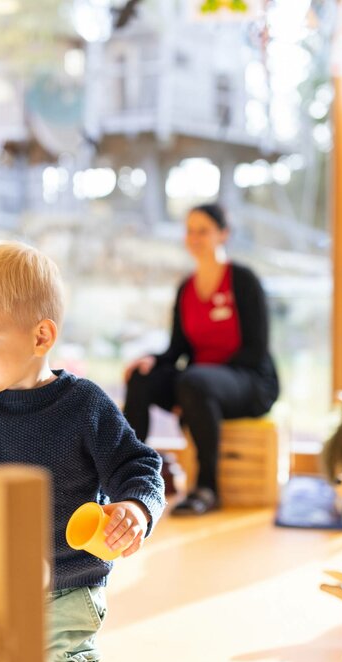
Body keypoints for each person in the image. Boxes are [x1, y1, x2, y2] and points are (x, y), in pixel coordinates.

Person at [0, 242, 165, 662]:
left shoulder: (85, 405)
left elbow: (136, 465)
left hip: (68, 589)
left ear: (41, 336)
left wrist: (136, 507)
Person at [123, 203, 279, 516]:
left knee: (195, 381)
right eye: (190, 230)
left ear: (223, 234)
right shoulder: (186, 289)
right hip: (195, 384)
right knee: (142, 377)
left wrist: (192, 385)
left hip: (249, 381)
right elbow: (176, 350)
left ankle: (207, 488)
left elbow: (256, 349)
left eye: (203, 230)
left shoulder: (243, 280)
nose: (194, 237)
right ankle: (127, 479)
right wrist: (152, 360)